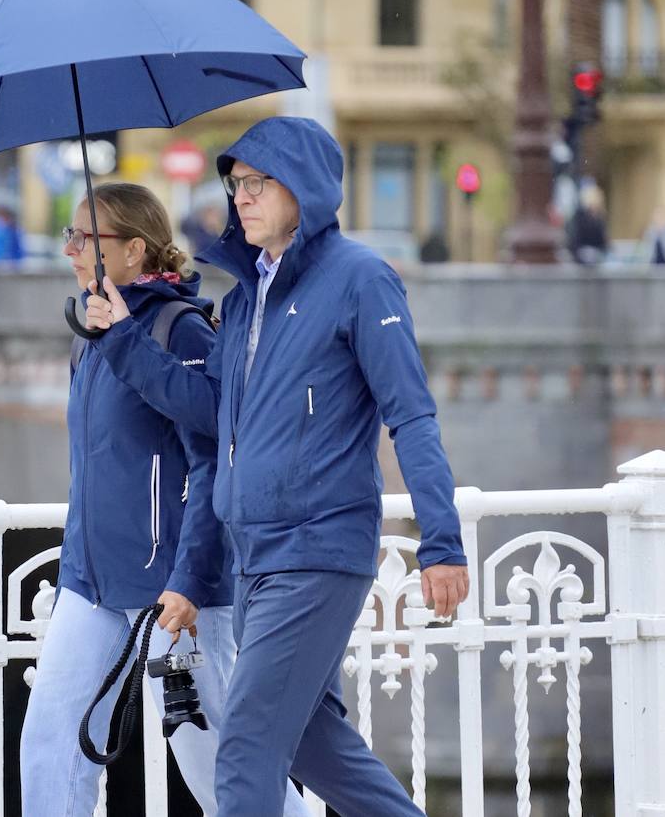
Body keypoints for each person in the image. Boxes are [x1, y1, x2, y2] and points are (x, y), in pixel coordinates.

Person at [83, 117, 469, 816]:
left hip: (318, 548)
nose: (242, 198)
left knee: (245, 752)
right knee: (316, 747)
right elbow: (206, 413)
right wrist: (122, 338)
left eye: (258, 183)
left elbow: (409, 414)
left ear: (307, 189)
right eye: (235, 185)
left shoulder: (361, 279)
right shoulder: (242, 300)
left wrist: (441, 542)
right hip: (254, 554)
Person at [19, 182, 306, 817]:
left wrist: (191, 577)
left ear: (134, 251)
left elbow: (212, 461)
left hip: (173, 589)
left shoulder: (182, 332)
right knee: (49, 741)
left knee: (215, 762)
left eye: (85, 237)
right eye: (69, 236)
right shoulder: (88, 334)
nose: (70, 249)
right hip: (90, 580)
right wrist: (77, 563)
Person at [566, 183, 609, 266]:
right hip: (580, 261)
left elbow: (603, 243)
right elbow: (573, 241)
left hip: (597, 260)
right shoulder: (578, 218)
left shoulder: (599, 219)